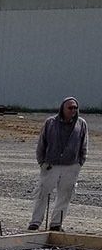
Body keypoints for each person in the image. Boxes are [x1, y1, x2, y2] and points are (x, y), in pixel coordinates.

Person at [28, 97, 87, 231]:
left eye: (75, 108)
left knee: (65, 196)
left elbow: (84, 144)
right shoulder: (51, 122)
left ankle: (56, 224)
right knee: (42, 193)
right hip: (51, 165)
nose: (73, 110)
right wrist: (41, 162)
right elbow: (42, 143)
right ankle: (35, 222)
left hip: (71, 166)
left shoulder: (81, 124)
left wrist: (80, 162)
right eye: (70, 107)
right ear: (63, 108)